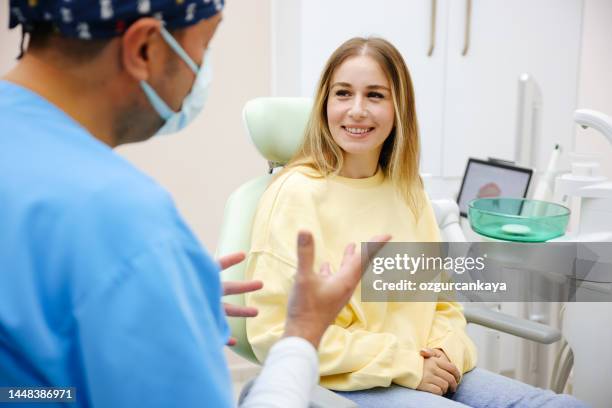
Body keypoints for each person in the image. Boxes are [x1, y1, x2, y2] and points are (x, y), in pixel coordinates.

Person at [0, 2, 388, 407]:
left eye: (376, 95)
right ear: (145, 48)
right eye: (207, 41)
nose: (201, 70)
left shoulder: (410, 196)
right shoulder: (127, 224)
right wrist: (305, 333)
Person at [244, 37, 588, 408]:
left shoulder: (408, 191)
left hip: (430, 369)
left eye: (375, 95)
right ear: (325, 103)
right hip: (350, 381)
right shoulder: (295, 194)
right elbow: (276, 332)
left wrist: (445, 353)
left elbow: (442, 304)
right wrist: (406, 364)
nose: (356, 110)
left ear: (399, 108)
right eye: (343, 94)